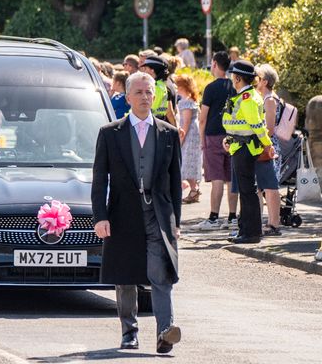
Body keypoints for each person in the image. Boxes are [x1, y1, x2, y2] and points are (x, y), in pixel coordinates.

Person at [92, 71, 182, 354]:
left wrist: (175, 221)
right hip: (123, 212)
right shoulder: (110, 133)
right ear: (128, 97)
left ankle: (165, 332)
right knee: (126, 274)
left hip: (158, 213)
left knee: (160, 272)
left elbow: (174, 180)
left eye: (149, 93)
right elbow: (99, 179)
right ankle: (129, 332)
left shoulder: (168, 133)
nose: (145, 97)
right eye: (140, 93)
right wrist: (100, 216)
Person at [222, 60, 274, 244]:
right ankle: (244, 230)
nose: (230, 79)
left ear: (237, 78)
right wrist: (228, 139)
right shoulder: (247, 96)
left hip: (245, 148)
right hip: (240, 146)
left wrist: (268, 144)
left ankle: (251, 233)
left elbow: (257, 126)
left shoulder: (247, 99)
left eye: (232, 76)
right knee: (246, 191)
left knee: (247, 192)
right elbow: (240, 125)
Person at [196, 51, 238, 230]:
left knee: (217, 178)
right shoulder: (235, 87)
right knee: (231, 178)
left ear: (214, 64)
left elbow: (203, 117)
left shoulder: (211, 88)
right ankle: (232, 216)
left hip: (213, 135)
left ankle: (214, 217)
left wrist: (201, 138)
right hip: (232, 135)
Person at [254, 64, 283, 236]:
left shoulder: (269, 100)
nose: (255, 80)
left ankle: (273, 224)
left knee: (270, 187)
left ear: (264, 81)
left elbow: (269, 129)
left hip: (269, 147)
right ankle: (260, 223)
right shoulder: (267, 98)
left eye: (257, 77)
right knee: (260, 186)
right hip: (265, 146)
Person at [174, 74, 202, 203]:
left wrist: (181, 139)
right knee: (189, 162)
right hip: (194, 133)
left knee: (186, 161)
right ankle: (194, 188)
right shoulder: (192, 100)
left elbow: (185, 122)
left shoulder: (186, 101)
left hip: (189, 134)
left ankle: (193, 189)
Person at [139, 55, 177, 127]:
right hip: (163, 127)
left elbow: (169, 113)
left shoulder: (157, 87)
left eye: (145, 68)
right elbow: (173, 111)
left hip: (156, 128)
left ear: (152, 70)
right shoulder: (167, 84)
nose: (144, 71)